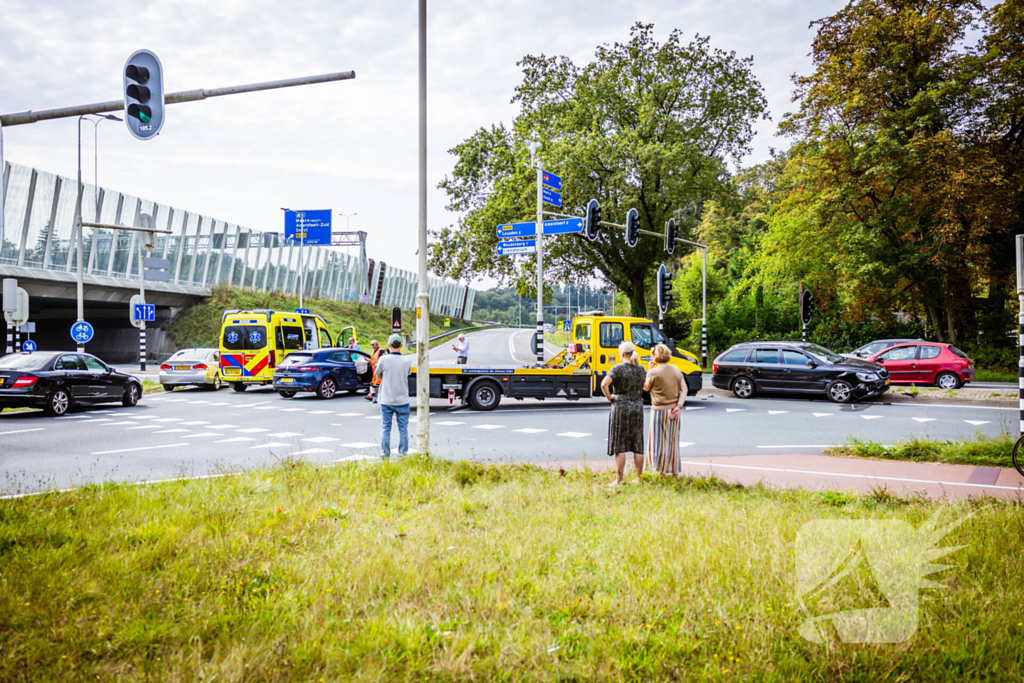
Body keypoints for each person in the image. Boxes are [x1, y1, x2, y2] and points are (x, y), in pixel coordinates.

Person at [601, 341, 646, 486]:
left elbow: (604, 384)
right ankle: (638, 478)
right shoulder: (640, 369)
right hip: (637, 406)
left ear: (621, 354)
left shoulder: (617, 368)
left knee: (620, 444)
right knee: (637, 442)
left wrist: (609, 397)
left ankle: (619, 479)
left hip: (621, 406)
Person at [644, 343, 686, 476]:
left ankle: (658, 468)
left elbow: (646, 387)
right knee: (672, 440)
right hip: (674, 410)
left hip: (658, 410)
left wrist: (648, 370)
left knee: (657, 441)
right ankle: (673, 469)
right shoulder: (676, 370)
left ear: (655, 356)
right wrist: (679, 405)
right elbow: (684, 389)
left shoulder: (653, 372)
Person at [374, 334, 413, 456]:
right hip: (402, 399)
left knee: (385, 428)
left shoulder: (383, 359)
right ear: (401, 345)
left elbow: (377, 374)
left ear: (388, 345)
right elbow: (408, 374)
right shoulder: (407, 360)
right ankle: (403, 454)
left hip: (386, 399)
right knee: (403, 429)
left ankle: (385, 453)